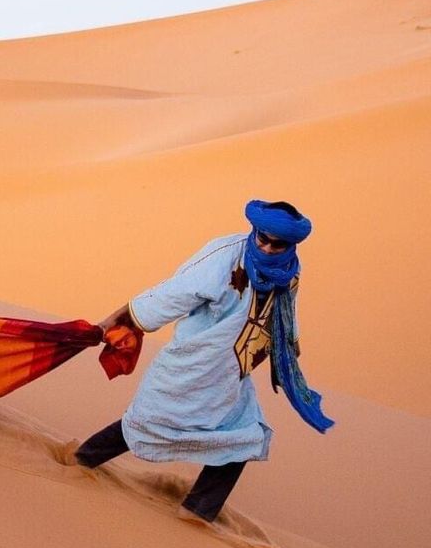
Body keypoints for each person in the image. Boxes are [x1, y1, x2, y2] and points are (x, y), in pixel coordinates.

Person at [76, 200, 333, 524]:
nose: (267, 249)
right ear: (255, 231)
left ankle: (197, 513)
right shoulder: (224, 256)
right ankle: (79, 462)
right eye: (262, 239)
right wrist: (114, 321)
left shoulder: (289, 270)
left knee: (244, 437)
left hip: (232, 371)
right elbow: (172, 294)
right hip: (193, 361)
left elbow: (284, 313)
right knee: (149, 422)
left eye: (277, 244)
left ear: (291, 245)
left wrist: (287, 349)